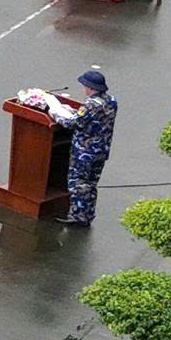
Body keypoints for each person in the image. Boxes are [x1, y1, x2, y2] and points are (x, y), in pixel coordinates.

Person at [61, 69, 119, 226]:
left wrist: (56, 114)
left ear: (90, 87)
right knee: (91, 184)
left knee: (78, 184)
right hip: (101, 151)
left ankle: (77, 216)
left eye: (84, 85)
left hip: (84, 152)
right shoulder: (111, 101)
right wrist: (74, 111)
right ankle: (88, 215)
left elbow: (72, 123)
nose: (83, 89)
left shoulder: (91, 104)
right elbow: (93, 119)